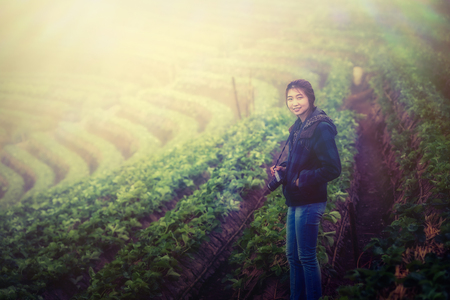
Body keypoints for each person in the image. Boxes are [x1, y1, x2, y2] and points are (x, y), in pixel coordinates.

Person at [270, 79, 341, 300]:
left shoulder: (320, 127)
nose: (294, 102)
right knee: (292, 256)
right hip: (295, 199)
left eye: (299, 97)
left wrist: (302, 179)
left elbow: (332, 168)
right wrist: (285, 169)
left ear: (310, 98)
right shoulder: (299, 125)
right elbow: (302, 161)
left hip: (310, 200)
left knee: (307, 257)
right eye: (290, 98)